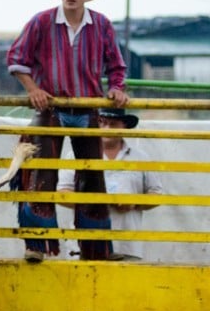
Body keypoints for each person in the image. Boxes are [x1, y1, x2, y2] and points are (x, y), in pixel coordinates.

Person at [7, 0, 128, 263]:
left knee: (92, 177)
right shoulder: (42, 21)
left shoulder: (101, 24)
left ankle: (96, 249)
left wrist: (116, 88)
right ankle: (36, 244)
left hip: (88, 107)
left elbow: (116, 65)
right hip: (51, 105)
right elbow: (17, 58)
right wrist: (32, 88)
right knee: (39, 173)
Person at [58, 109, 163, 261]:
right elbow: (62, 193)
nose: (107, 129)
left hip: (127, 244)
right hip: (84, 245)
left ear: (124, 126)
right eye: (102, 123)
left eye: (113, 124)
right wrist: (95, 202)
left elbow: (156, 193)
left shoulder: (141, 158)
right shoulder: (74, 155)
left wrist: (134, 202)